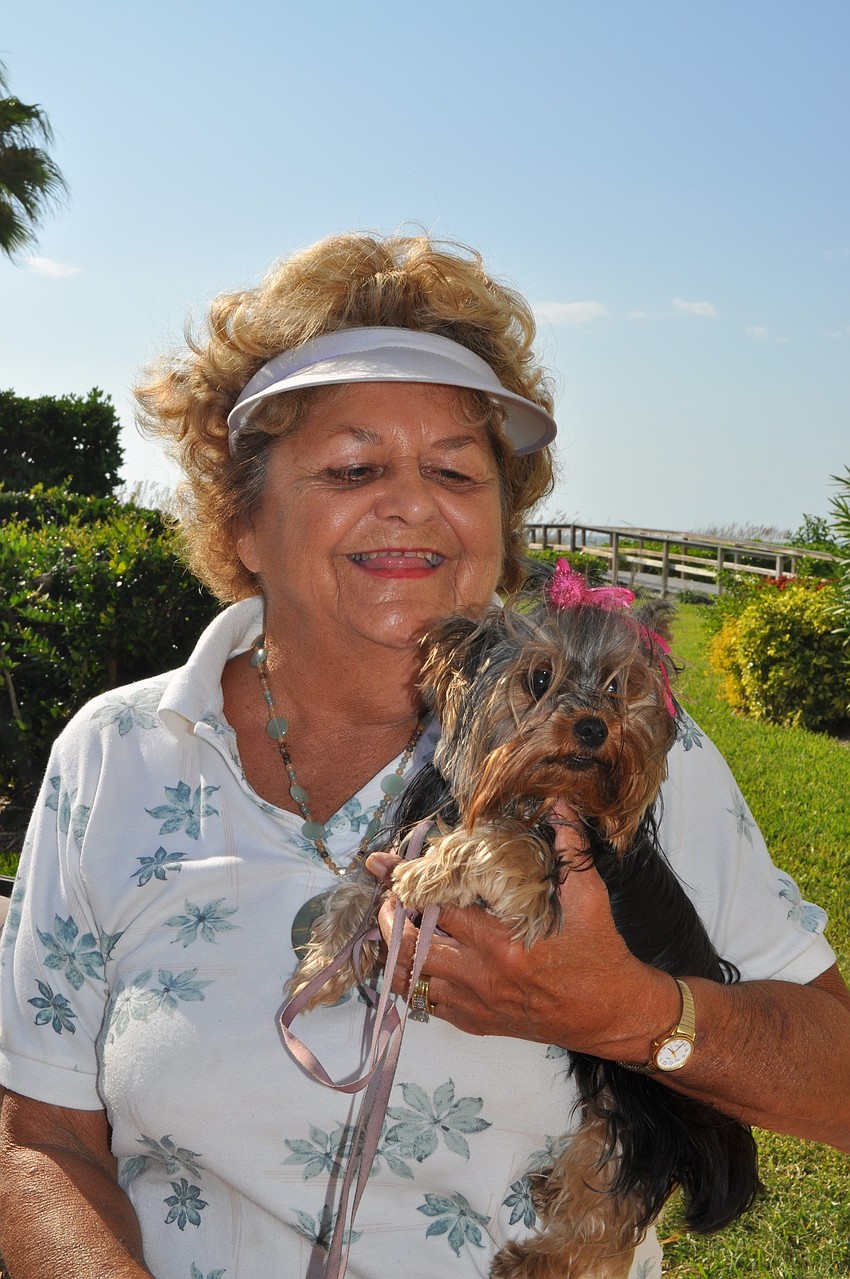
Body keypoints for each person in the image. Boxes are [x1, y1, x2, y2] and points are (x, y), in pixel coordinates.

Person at [0, 233, 847, 1279]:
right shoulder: (120, 752)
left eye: (455, 468)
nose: (411, 500)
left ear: (502, 518)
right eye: (354, 466)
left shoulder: (635, 747)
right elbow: (42, 1140)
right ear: (244, 522)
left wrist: (634, 1014)